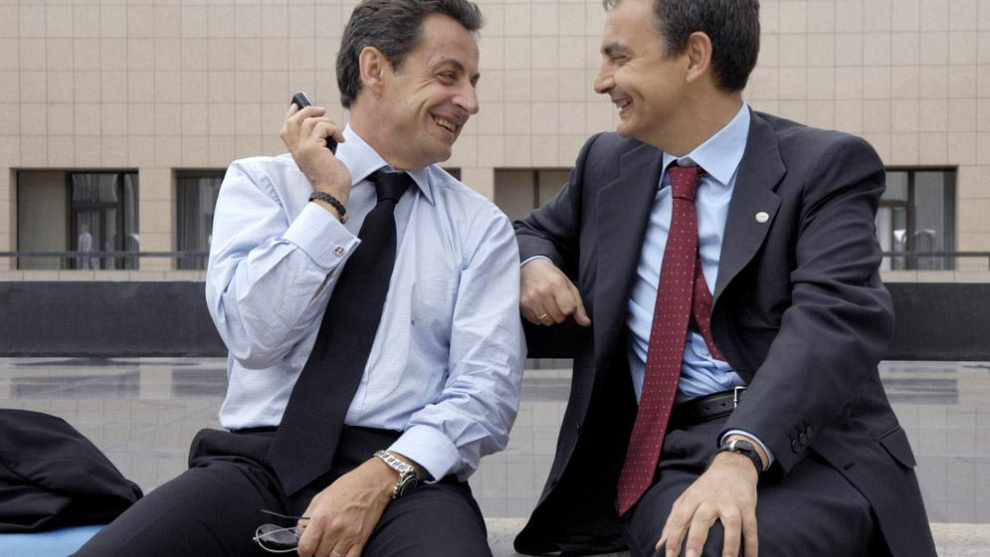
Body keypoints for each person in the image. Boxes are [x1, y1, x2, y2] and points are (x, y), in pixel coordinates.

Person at [72, 1, 524, 556]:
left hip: (405, 476)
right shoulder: (261, 185)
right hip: (255, 465)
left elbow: (485, 391)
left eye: (473, 82)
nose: (470, 102)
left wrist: (383, 475)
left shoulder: (480, 226)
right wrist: (328, 200)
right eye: (449, 76)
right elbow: (253, 337)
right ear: (375, 69)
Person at [512, 1, 936, 556]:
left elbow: (833, 319)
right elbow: (530, 231)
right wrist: (534, 264)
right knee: (707, 541)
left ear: (694, 56)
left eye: (619, 58)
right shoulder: (608, 163)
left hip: (816, 447)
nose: (602, 81)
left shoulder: (825, 165)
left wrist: (742, 452)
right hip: (672, 452)